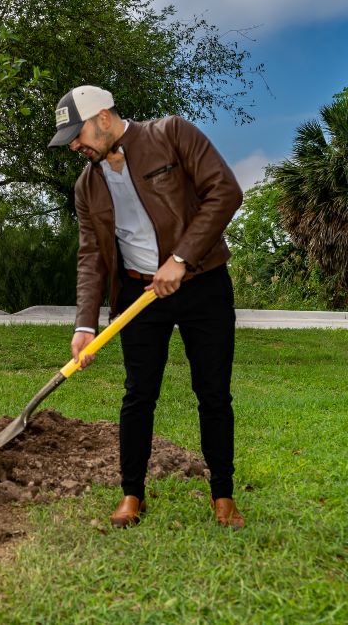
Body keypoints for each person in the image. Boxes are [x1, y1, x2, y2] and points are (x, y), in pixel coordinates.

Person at [48, 85, 244, 529]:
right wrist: (84, 324)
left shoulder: (171, 134)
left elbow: (225, 192)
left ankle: (223, 496)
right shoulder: (87, 186)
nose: (76, 146)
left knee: (213, 393)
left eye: (78, 135)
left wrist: (180, 258)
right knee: (138, 396)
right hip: (138, 298)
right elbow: (91, 257)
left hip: (202, 283)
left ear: (102, 118)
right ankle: (132, 494)